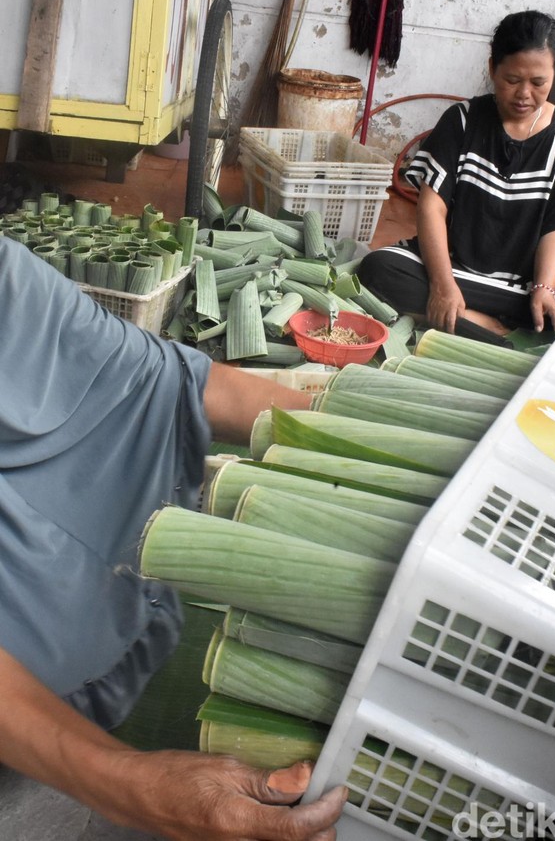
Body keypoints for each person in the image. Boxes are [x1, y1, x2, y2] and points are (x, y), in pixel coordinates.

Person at [0, 236, 346, 840]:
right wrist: (124, 782)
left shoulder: (6, 279)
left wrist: (362, 449)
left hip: (78, 670)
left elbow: (153, 376)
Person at [358, 10, 555, 345]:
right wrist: (443, 284)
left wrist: (544, 289)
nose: (524, 94)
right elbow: (432, 207)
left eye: (538, 83)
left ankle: (464, 319)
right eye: (512, 80)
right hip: (456, 267)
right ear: (492, 68)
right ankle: (485, 323)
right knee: (378, 269)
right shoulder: (462, 121)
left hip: (527, 281)